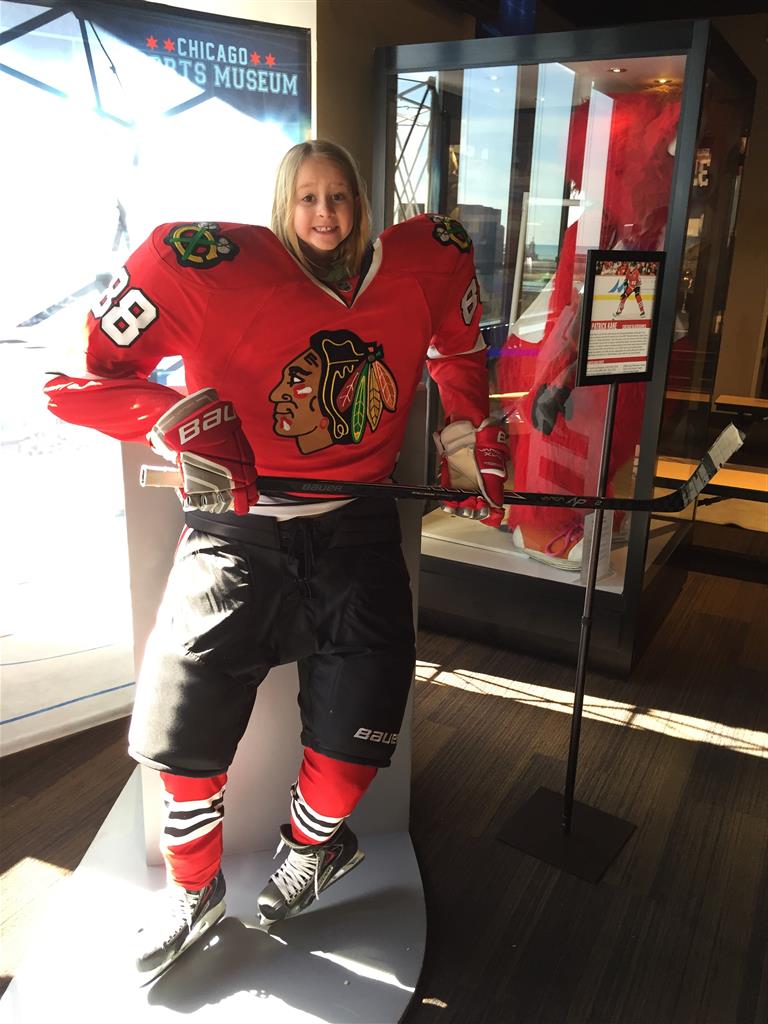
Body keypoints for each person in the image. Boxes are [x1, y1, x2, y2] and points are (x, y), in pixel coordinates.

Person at [44, 139, 507, 983]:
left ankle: (314, 847)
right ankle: (193, 889)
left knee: (363, 717)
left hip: (357, 523)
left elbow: (458, 349)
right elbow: (80, 379)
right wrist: (177, 417)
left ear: (361, 202)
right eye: (307, 197)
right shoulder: (202, 265)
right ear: (283, 204)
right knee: (180, 720)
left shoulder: (426, 261)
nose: (325, 213)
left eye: (339, 196)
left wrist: (463, 437)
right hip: (237, 531)